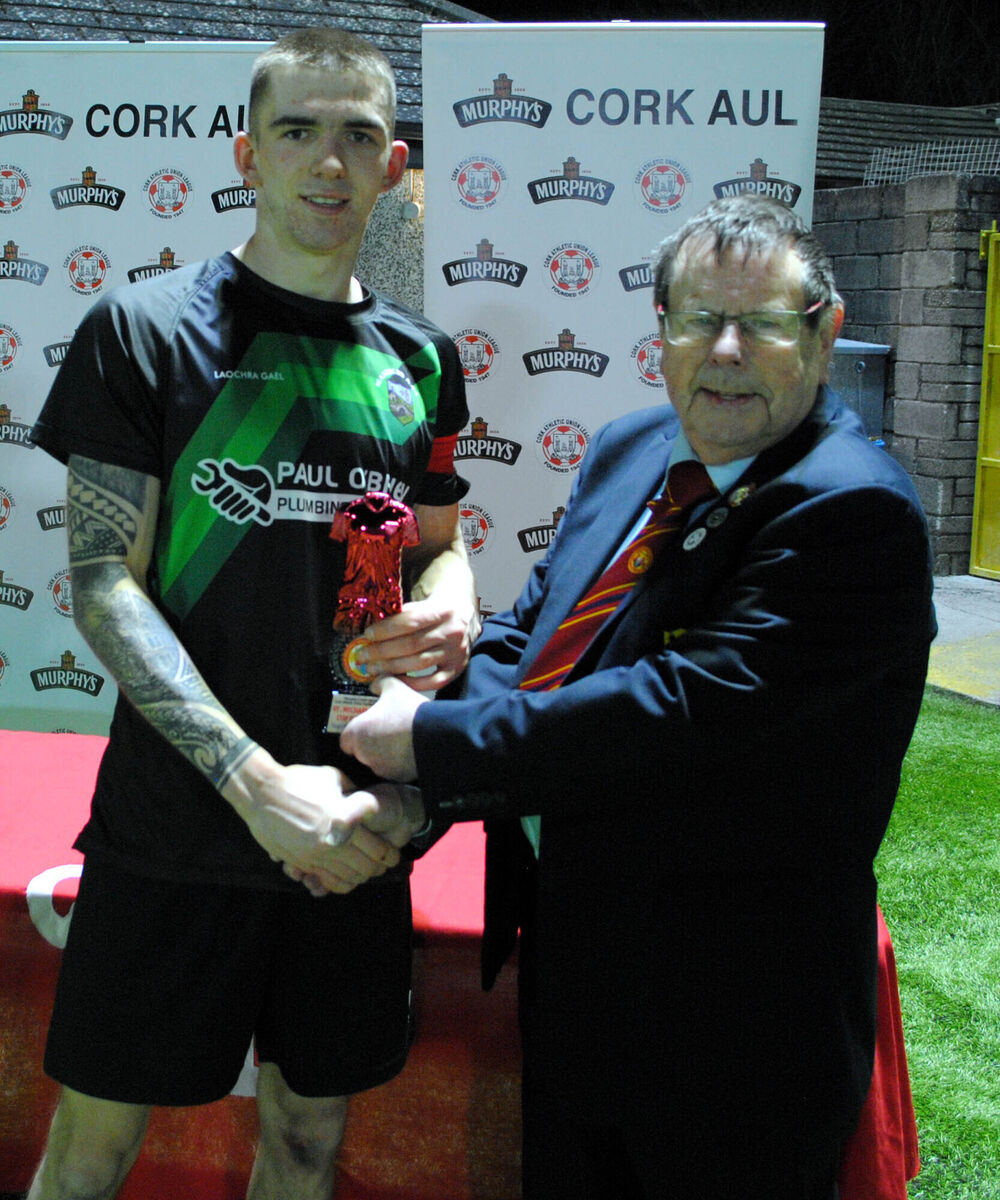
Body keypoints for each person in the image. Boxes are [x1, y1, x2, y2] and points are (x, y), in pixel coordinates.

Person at [338, 195, 937, 1199]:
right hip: (581, 975)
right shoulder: (631, 446)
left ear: (825, 335)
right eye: (700, 318)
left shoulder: (850, 508)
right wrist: (421, 784)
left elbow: (678, 710)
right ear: (661, 331)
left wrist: (430, 744)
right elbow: (533, 643)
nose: (728, 351)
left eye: (766, 323)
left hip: (740, 1020)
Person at [28, 28, 477, 1200]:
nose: (329, 162)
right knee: (91, 1151)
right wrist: (254, 785)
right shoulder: (145, 329)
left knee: (306, 1142)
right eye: (298, 131)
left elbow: (436, 540)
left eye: (358, 136)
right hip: (177, 826)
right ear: (246, 154)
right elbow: (98, 579)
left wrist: (456, 603)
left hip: (358, 830)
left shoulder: (422, 358)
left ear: (393, 163)